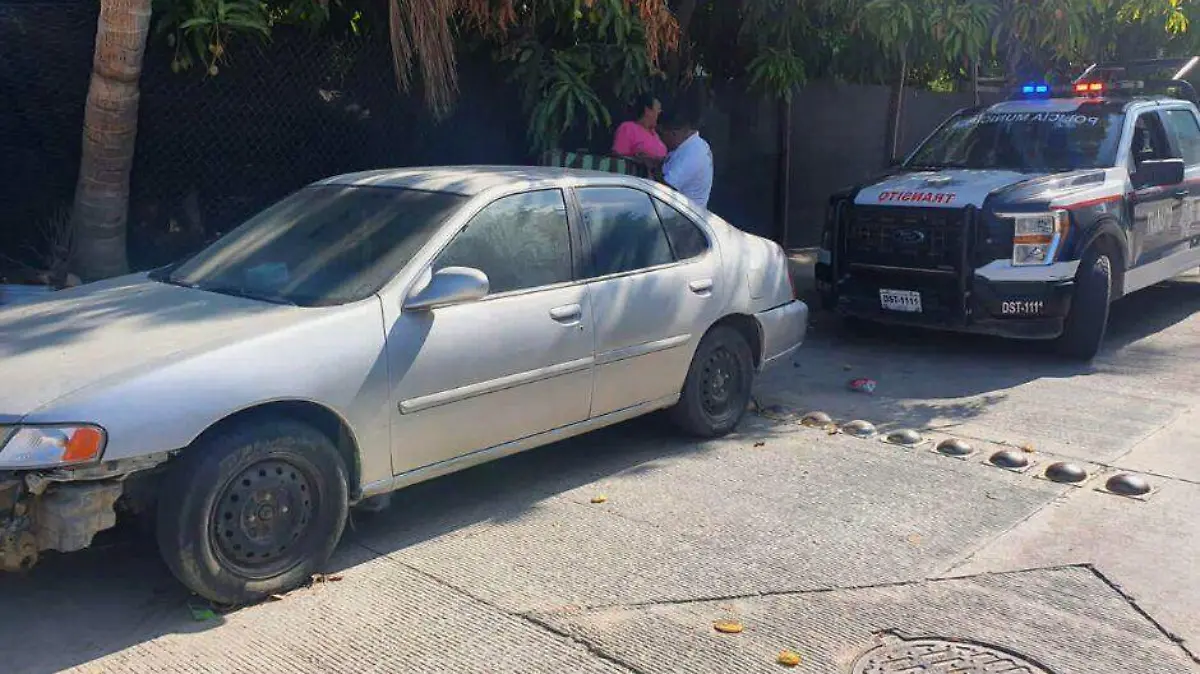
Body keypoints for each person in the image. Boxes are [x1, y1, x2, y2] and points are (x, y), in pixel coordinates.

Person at [659, 108, 713, 209]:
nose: (661, 139)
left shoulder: (693, 152)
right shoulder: (690, 145)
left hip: (684, 217)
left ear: (673, 133)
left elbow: (663, 189)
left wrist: (650, 171)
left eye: (662, 135)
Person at [611, 93, 668, 169]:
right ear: (647, 110)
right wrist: (640, 160)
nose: (660, 113)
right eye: (658, 109)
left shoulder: (655, 135)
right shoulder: (628, 128)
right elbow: (616, 157)